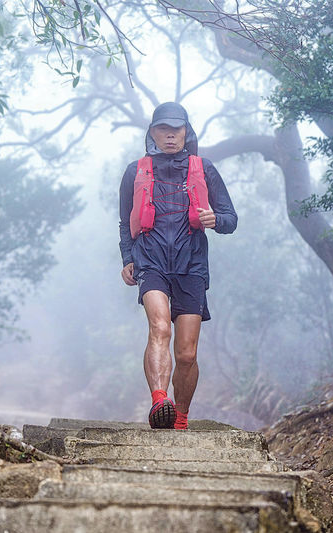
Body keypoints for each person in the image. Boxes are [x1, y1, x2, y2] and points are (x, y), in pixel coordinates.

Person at [119, 102, 237, 430]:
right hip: (151, 261)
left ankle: (180, 417)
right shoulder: (135, 171)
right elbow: (123, 220)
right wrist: (128, 259)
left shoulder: (205, 168)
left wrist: (217, 220)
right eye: (163, 130)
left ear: (187, 132)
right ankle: (160, 400)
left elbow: (231, 218)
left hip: (192, 264)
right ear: (152, 133)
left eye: (177, 129)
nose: (170, 136)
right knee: (159, 328)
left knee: (187, 353)